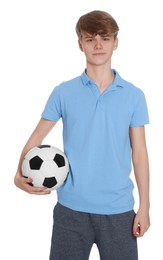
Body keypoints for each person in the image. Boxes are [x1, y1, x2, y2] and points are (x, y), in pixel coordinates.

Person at [14, 10, 150, 260]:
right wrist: (17, 174)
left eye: (105, 38)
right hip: (71, 210)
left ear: (116, 42)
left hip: (119, 211)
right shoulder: (63, 93)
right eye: (90, 39)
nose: (98, 45)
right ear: (80, 45)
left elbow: (139, 153)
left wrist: (145, 206)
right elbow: (37, 136)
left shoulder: (134, 96)